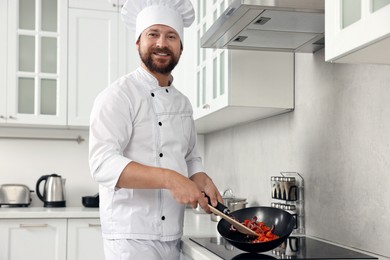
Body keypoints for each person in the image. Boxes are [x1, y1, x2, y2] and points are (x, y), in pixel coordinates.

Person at [88, 0, 222, 259]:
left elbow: (189, 156)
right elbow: (102, 163)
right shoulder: (118, 96)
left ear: (181, 48)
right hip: (131, 236)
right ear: (138, 42)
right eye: (153, 34)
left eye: (171, 36)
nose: (162, 43)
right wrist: (172, 179)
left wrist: (199, 176)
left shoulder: (182, 102)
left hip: (172, 233)